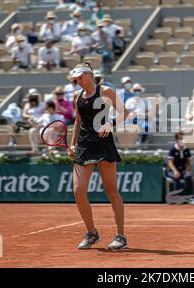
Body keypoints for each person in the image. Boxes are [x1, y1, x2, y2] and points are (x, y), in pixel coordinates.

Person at [67, 63, 129, 250]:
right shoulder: (77, 96)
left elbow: (125, 112)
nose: (77, 81)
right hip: (84, 145)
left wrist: (110, 124)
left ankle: (121, 236)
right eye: (75, 79)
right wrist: (72, 143)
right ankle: (92, 233)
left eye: (79, 77)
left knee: (111, 191)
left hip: (103, 144)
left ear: (88, 74)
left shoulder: (106, 91)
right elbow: (78, 122)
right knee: (78, 191)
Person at [167, 131, 194, 205]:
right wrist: (175, 171)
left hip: (183, 171)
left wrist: (186, 171)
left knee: (188, 177)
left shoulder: (187, 150)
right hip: (173, 171)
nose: (182, 140)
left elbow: (189, 162)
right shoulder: (173, 150)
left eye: (183, 139)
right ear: (177, 140)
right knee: (176, 177)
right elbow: (170, 162)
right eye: (180, 139)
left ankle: (190, 197)